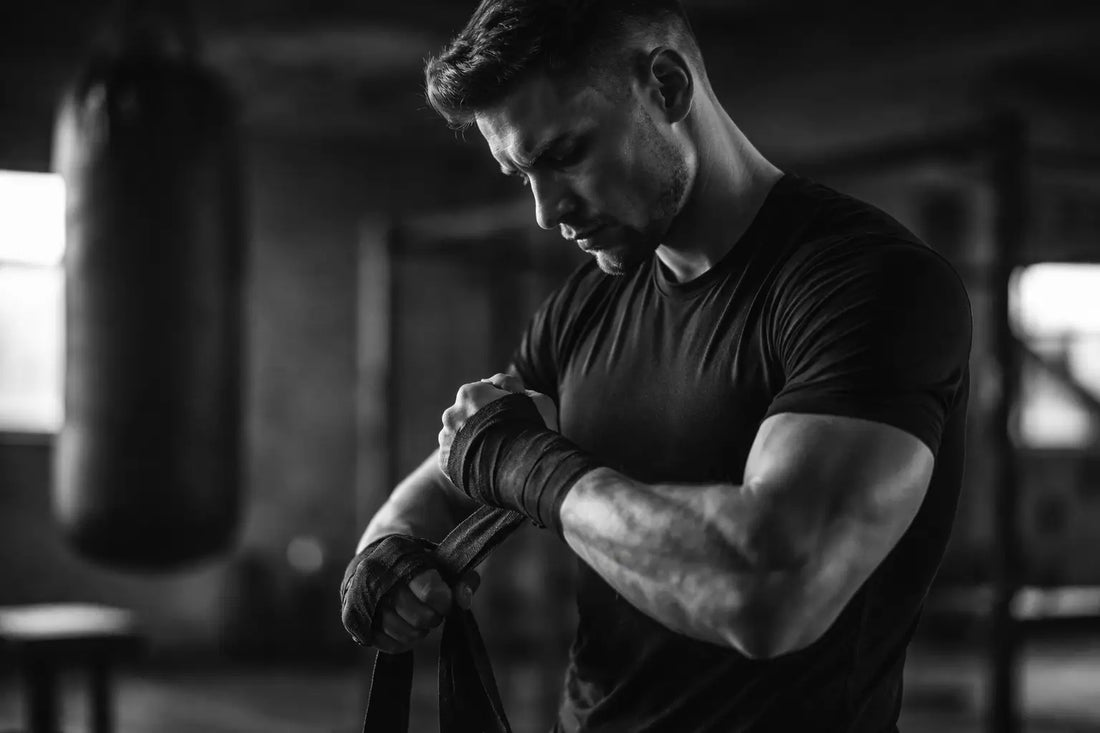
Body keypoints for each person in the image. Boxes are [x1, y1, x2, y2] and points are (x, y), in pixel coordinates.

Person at [340, 0, 973, 730]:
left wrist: (539, 471)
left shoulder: (865, 284)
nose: (546, 211)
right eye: (523, 175)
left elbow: (770, 588)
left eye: (565, 153)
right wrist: (384, 555)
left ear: (667, 87)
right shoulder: (587, 306)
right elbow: (456, 467)